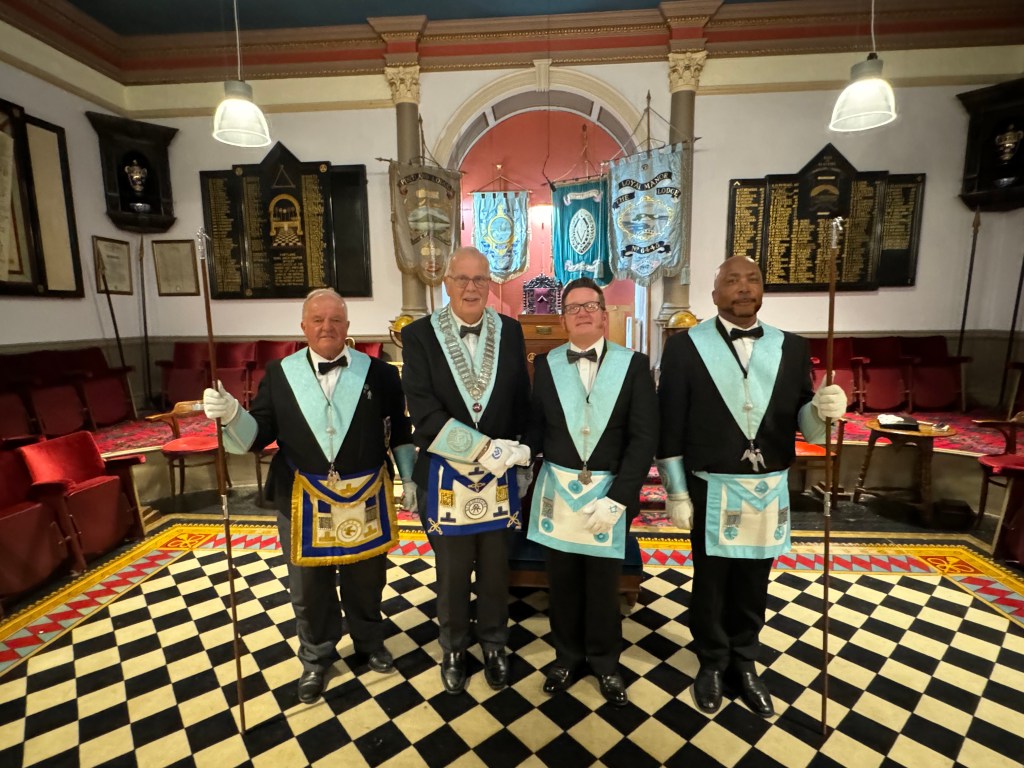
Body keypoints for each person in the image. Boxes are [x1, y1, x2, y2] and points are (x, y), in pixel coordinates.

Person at [202, 288, 415, 705]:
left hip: (366, 496)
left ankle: (370, 642)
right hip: (301, 497)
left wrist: (409, 479)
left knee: (367, 579)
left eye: (335, 319)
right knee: (308, 587)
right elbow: (257, 436)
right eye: (317, 320)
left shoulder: (380, 373)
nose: (326, 327)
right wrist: (231, 415)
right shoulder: (280, 374)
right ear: (303, 327)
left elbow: (400, 430)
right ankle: (316, 657)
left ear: (348, 326)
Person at [656, 256, 846, 718]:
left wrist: (823, 411)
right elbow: (670, 426)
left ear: (762, 290)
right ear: (715, 293)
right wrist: (676, 492)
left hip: (767, 487)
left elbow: (804, 423)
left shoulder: (791, 347)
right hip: (710, 485)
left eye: (752, 280)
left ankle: (744, 660)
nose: (743, 288)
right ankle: (711, 661)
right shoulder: (685, 348)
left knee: (754, 581)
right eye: (732, 281)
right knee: (711, 581)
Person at [401, 246, 532, 694]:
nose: (471, 288)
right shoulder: (419, 335)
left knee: (496, 569)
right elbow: (423, 410)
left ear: (489, 283)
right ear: (447, 283)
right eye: (462, 279)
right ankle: (454, 646)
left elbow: (520, 400)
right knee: (452, 572)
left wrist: (520, 456)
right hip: (444, 475)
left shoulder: (510, 331)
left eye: (479, 279)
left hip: (500, 478)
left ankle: (495, 643)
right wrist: (482, 450)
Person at [524, 277, 658, 707]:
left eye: (590, 306)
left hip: (608, 493)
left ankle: (604, 662)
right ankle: (566, 657)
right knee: (561, 583)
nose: (582, 312)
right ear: (563, 320)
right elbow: (538, 425)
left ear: (603, 315)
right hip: (559, 492)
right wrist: (520, 453)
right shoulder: (547, 365)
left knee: (602, 586)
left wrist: (620, 498)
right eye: (573, 307)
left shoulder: (633, 365)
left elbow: (643, 438)